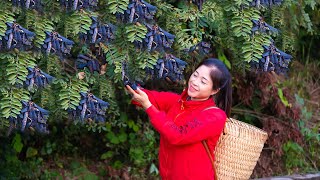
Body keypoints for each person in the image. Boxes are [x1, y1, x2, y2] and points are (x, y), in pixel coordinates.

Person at [125, 58, 232, 179]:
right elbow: (149, 96)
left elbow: (178, 135)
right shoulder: (178, 102)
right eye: (195, 75)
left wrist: (148, 106)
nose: (195, 82)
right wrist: (123, 77)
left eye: (203, 81)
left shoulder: (215, 117)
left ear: (215, 90)